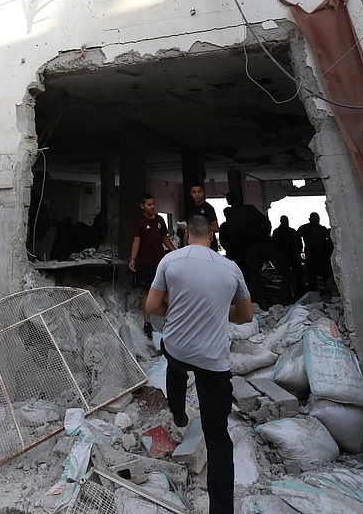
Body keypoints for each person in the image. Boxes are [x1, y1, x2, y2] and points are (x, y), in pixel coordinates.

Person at [147, 214, 253, 514]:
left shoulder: (170, 261)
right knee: (218, 438)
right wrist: (218, 311)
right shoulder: (230, 268)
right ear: (212, 234)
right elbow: (246, 316)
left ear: (185, 235)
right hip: (212, 360)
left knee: (175, 367)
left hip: (178, 349)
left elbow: (152, 307)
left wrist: (176, 306)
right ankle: (221, 509)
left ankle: (179, 415)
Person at [129, 193, 175, 339]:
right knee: (146, 292)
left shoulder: (160, 220)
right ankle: (147, 323)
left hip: (160, 262)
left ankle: (170, 322)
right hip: (145, 262)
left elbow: (165, 239)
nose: (152, 207)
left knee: (166, 291)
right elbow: (136, 241)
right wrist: (132, 259)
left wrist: (176, 252)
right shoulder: (139, 222)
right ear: (142, 206)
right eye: (149, 204)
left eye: (153, 204)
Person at [218, 191, 271, 305]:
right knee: (251, 277)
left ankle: (251, 301)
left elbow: (224, 242)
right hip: (243, 252)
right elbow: (266, 222)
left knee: (249, 277)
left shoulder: (237, 217)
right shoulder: (248, 211)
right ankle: (251, 301)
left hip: (245, 251)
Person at [270, 215, 304, 301]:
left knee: (287, 277)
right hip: (291, 257)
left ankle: (287, 296)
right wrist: (298, 254)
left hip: (283, 257)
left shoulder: (277, 232)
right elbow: (298, 244)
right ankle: (297, 294)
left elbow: (273, 245)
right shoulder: (291, 231)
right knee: (296, 276)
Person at [297, 212, 333, 292]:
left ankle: (325, 292)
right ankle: (318, 293)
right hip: (312, 256)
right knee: (313, 277)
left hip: (320, 257)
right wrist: (299, 251)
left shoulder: (322, 229)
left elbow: (331, 238)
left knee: (321, 276)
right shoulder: (306, 228)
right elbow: (296, 238)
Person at [185, 183, 219, 252]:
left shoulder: (208, 208)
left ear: (203, 193)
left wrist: (200, 228)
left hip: (208, 245)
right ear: (190, 194)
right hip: (193, 245)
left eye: (200, 192)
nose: (197, 194)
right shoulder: (189, 208)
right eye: (194, 192)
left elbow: (216, 228)